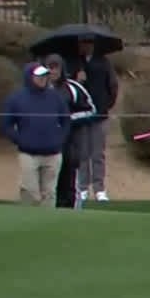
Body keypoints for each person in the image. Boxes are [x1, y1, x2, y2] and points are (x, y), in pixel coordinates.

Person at [0, 62, 70, 207]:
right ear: (29, 77)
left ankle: (47, 221)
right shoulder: (16, 99)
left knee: (49, 193)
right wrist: (21, 140)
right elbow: (6, 125)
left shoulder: (55, 97)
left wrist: (60, 139)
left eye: (45, 76)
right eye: (39, 76)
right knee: (30, 192)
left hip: (53, 154)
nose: (43, 79)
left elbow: (65, 120)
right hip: (28, 154)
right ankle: (29, 219)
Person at [63, 34, 118, 203]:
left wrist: (106, 105)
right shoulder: (73, 62)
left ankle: (99, 188)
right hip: (81, 115)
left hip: (99, 114)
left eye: (87, 43)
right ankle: (83, 187)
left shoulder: (103, 62)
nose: (84, 46)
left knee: (97, 154)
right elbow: (66, 85)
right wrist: (76, 78)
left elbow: (113, 86)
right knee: (83, 153)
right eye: (82, 43)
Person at [47, 54, 97, 209]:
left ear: (61, 69)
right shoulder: (38, 89)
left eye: (55, 68)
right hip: (45, 145)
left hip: (68, 143)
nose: (52, 71)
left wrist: (68, 119)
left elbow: (91, 110)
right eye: (49, 68)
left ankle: (71, 211)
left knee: (68, 181)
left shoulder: (72, 88)